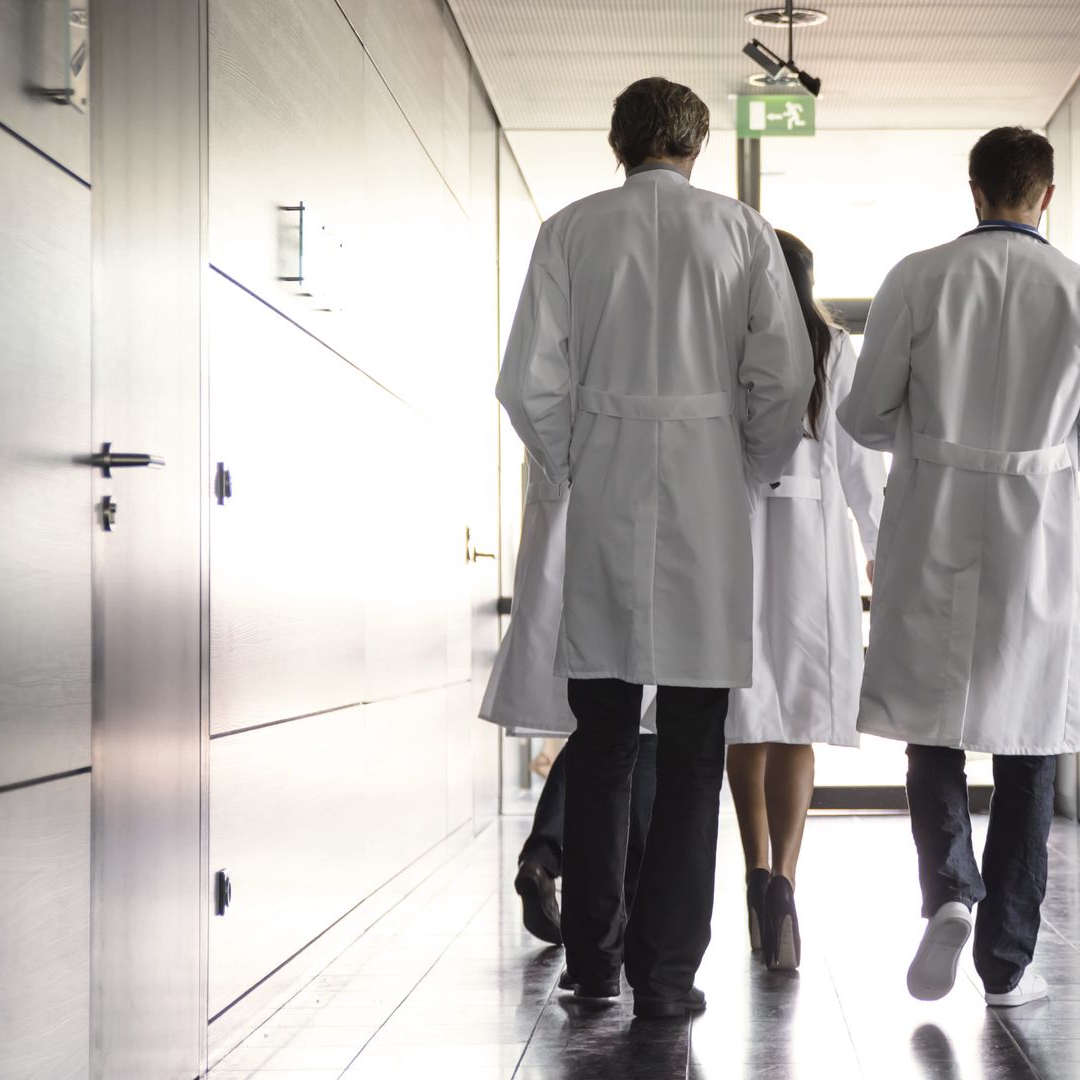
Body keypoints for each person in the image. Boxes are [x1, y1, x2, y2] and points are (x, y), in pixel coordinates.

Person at [495, 76, 812, 1019]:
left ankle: (593, 959)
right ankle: (667, 974)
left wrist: (574, 466)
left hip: (604, 491)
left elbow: (526, 383)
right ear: (698, 147)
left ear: (615, 142)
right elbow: (783, 378)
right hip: (709, 499)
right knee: (691, 748)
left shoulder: (571, 231)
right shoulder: (743, 232)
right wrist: (741, 467)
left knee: (601, 743)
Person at [838, 126, 1080, 1009]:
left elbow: (863, 416)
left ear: (973, 192)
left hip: (932, 511)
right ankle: (1006, 962)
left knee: (931, 723)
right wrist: (1044, 453)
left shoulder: (917, 276)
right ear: (1043, 195)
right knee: (1030, 737)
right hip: (1033, 527)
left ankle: (948, 891)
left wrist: (937, 444)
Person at [725, 230, 884, 973]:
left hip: (736, 543)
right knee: (796, 726)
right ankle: (785, 881)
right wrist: (883, 549)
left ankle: (755, 872)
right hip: (814, 551)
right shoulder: (835, 351)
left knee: (745, 718)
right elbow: (862, 468)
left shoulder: (730, 345)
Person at [478, 456, 656, 948]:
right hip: (629, 517)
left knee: (607, 726)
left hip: (580, 509)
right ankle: (615, 928)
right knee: (636, 729)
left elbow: (529, 395)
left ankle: (545, 859)